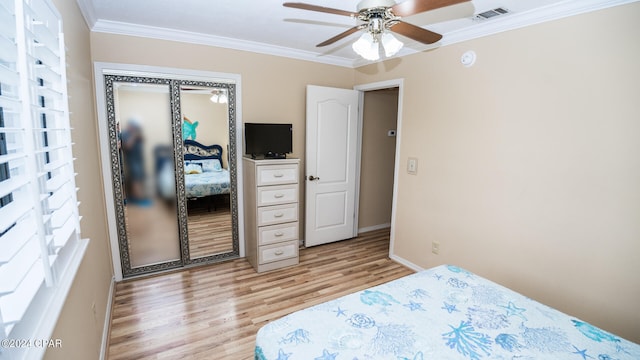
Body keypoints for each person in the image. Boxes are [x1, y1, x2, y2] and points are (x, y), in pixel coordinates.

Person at [120, 119, 150, 206]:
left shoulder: (136, 133)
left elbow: (144, 140)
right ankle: (138, 200)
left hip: (139, 159)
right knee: (135, 179)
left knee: (139, 179)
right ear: (129, 126)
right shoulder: (125, 134)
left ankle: (139, 197)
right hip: (132, 160)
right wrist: (133, 136)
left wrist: (138, 135)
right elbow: (128, 146)